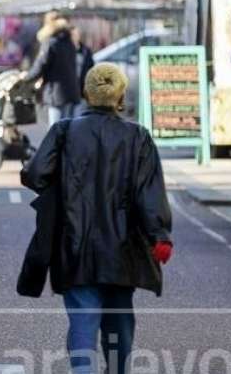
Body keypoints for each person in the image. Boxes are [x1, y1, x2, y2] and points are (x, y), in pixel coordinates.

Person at [19, 63, 173, 374]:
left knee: (83, 319)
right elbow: (149, 194)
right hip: (123, 248)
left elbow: (35, 175)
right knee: (119, 320)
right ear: (120, 96)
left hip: (74, 245)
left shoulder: (63, 131)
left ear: (86, 93)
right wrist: (160, 236)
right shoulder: (138, 137)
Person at [22, 17, 81, 125]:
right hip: (72, 92)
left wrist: (25, 79)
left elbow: (40, 66)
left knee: (55, 129)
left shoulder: (51, 43)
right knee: (66, 128)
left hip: (57, 93)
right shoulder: (69, 43)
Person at [71, 26, 94, 113]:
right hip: (68, 92)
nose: (75, 36)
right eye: (73, 34)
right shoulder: (64, 50)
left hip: (81, 91)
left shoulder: (85, 50)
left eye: (77, 34)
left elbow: (91, 68)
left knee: (78, 118)